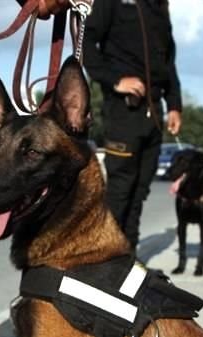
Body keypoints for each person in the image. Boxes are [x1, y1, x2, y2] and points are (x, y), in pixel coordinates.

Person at [81, 0, 183, 251]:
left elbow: (168, 62)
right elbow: (86, 45)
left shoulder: (160, 7)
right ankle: (105, 259)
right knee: (120, 189)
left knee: (140, 191)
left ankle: (128, 256)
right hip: (123, 109)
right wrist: (115, 81)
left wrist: (174, 105)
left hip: (154, 112)